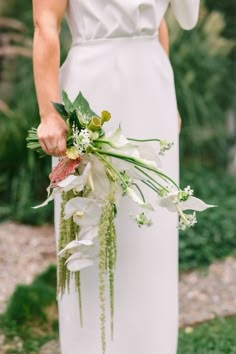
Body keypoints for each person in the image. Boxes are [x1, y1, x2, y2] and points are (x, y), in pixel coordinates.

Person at [32, 1, 200, 353]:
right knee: (91, 224)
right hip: (92, 85)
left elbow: (155, 25)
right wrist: (49, 114)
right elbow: (46, 24)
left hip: (152, 87)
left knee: (153, 228)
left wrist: (169, 102)